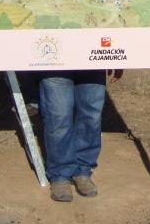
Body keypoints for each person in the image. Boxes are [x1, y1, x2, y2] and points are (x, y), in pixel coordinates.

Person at [39, 68, 123, 202]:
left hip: (92, 62)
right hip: (55, 61)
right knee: (58, 116)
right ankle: (60, 174)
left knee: (91, 115)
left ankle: (82, 170)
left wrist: (119, 59)